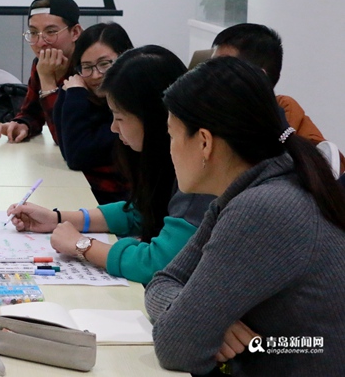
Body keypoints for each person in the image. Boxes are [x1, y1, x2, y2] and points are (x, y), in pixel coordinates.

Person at [146, 56, 345, 376]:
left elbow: (177, 347)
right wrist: (205, 322)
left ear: (204, 142)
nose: (170, 149)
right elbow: (164, 280)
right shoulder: (252, 190)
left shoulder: (264, 209)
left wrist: (196, 323)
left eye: (172, 135)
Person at [7, 46, 212, 285]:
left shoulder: (197, 176)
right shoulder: (162, 160)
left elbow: (156, 262)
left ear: (154, 117)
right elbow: (140, 211)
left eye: (120, 117)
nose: (113, 128)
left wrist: (82, 245)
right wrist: (56, 218)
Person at [212, 23, 332, 146]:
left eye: (221, 67)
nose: (210, 73)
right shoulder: (209, 112)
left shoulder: (288, 113)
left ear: (257, 78)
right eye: (210, 65)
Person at [53, 23, 133, 204]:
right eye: (87, 67)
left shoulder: (132, 105)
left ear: (125, 58)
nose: (96, 75)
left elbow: (77, 156)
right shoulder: (91, 96)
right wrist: (68, 92)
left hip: (123, 200)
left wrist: (75, 95)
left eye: (104, 64)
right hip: (94, 193)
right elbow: (64, 143)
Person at [0, 0, 82, 143]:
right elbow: (32, 112)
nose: (40, 43)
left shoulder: (90, 66)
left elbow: (66, 138)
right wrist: (23, 124)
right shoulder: (42, 63)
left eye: (51, 32)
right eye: (34, 33)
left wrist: (47, 80)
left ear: (75, 32)